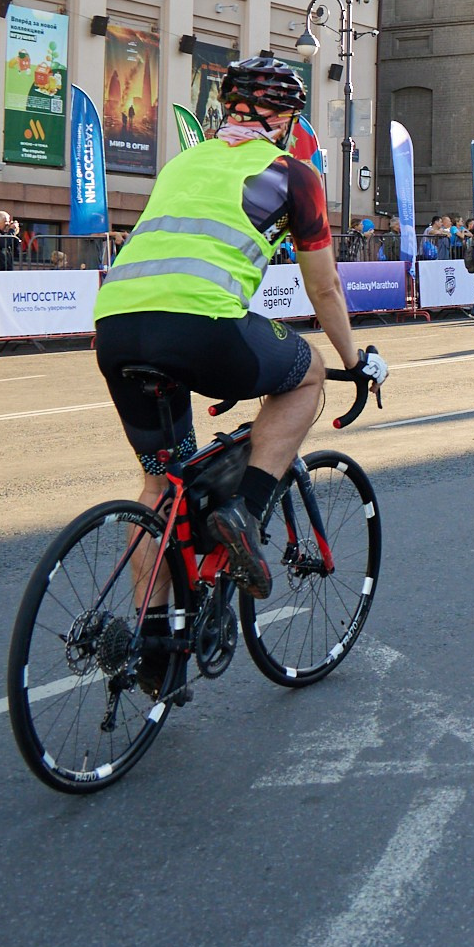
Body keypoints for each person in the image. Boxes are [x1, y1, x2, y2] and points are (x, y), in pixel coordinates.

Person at [92, 55, 384, 605]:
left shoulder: (183, 164)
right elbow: (325, 290)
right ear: (289, 123)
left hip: (116, 326)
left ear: (227, 111)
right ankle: (243, 513)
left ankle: (154, 647)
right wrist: (356, 359)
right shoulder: (294, 174)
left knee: (160, 487)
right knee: (308, 374)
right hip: (202, 326)